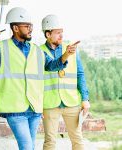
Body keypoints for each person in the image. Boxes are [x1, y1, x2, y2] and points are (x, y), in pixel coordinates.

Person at [0, 8, 74, 150]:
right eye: (26, 26)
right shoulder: (0, 48)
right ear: (15, 28)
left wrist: (66, 55)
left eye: (31, 26)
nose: (30, 29)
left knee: (31, 146)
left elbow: (52, 66)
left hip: (34, 109)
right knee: (27, 147)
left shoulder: (37, 50)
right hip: (14, 109)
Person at [40, 14, 90, 150]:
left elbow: (80, 74)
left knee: (77, 139)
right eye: (57, 33)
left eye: (62, 32)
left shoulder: (71, 49)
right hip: (49, 104)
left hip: (71, 102)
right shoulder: (39, 52)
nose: (61, 36)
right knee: (50, 141)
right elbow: (50, 66)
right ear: (48, 34)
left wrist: (85, 99)